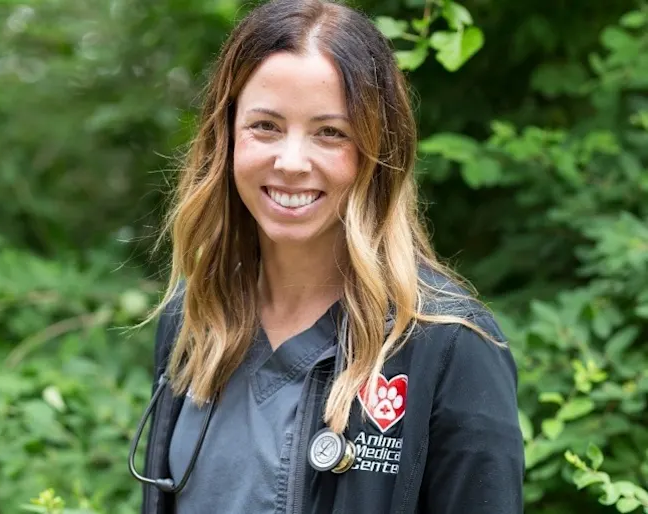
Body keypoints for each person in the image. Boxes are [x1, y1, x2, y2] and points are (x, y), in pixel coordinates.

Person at [133, 0, 525, 513]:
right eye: (265, 126)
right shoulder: (193, 319)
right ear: (225, 137)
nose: (291, 161)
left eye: (330, 132)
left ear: (379, 153)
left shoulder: (449, 346)